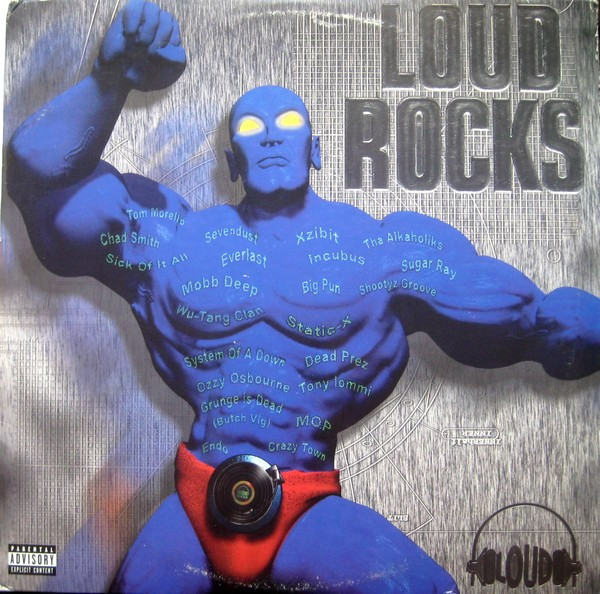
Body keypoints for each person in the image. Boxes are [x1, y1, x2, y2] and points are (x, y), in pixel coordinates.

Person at [7, 1, 599, 592]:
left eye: (288, 123)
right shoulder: (172, 242)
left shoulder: (385, 252)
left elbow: (536, 324)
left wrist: (567, 327)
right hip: (195, 501)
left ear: (314, 148)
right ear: (231, 161)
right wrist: (110, 80)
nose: (269, 138)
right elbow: (38, 176)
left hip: (306, 507)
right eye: (250, 128)